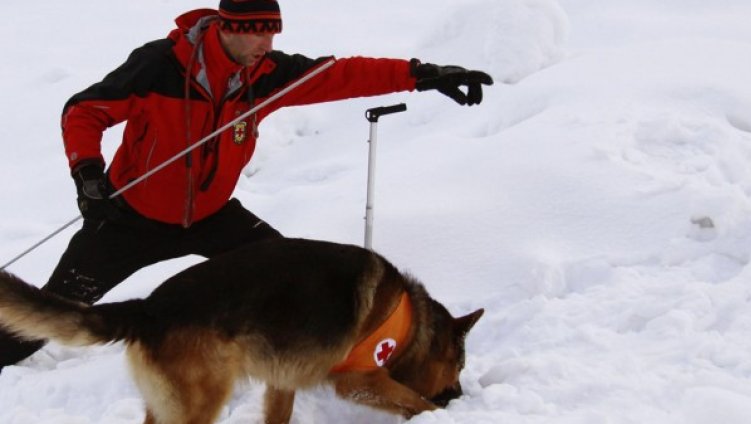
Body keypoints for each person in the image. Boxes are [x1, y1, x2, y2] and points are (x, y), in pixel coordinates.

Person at [0, 0, 492, 369]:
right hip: (131, 218)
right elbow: (85, 111)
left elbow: (341, 74)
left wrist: (422, 75)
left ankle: (278, 363)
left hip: (214, 217)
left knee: (289, 278)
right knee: (52, 309)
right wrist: (87, 174)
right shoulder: (159, 67)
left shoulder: (266, 75)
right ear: (229, 29)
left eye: (272, 34)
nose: (266, 45)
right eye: (257, 34)